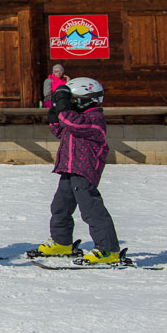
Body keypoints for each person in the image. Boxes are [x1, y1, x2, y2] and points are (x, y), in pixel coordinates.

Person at [32, 78, 122, 264]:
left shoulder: (95, 120)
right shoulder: (78, 117)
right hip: (69, 168)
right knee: (60, 206)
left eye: (72, 101)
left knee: (91, 209)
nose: (70, 105)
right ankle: (61, 242)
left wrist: (64, 107)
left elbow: (71, 122)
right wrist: (55, 110)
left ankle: (108, 250)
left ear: (85, 99)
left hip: (84, 170)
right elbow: (60, 128)